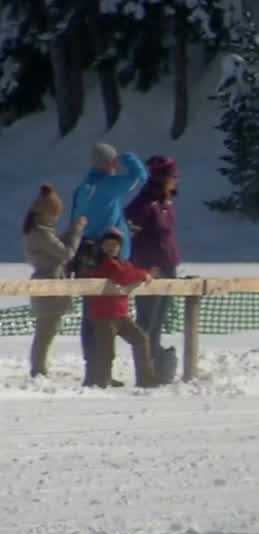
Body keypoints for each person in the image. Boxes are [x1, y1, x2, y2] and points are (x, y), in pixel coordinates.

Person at [69, 142, 148, 386]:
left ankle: (94, 371)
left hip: (85, 254)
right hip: (109, 254)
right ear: (108, 163)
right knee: (110, 314)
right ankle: (101, 374)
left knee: (90, 314)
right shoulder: (109, 185)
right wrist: (128, 157)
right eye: (113, 162)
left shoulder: (84, 187)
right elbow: (140, 177)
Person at [125, 155, 181, 382]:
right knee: (147, 322)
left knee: (159, 321)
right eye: (173, 177)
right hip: (150, 269)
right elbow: (129, 232)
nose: (176, 181)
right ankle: (146, 371)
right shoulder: (144, 204)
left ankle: (157, 366)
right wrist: (143, 264)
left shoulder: (166, 202)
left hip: (168, 267)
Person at [23, 185, 86, 378]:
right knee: (45, 332)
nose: (56, 218)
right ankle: (38, 370)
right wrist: (77, 230)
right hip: (48, 286)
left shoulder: (42, 232)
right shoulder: (40, 234)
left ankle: (39, 368)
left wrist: (71, 230)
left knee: (48, 330)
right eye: (54, 214)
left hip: (52, 286)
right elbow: (66, 253)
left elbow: (59, 246)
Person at [86, 228, 157, 388]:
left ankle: (146, 378)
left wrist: (141, 273)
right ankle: (102, 380)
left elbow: (131, 271)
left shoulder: (123, 262)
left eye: (115, 245)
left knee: (141, 339)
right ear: (102, 246)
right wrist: (143, 275)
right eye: (108, 244)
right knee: (106, 351)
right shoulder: (102, 262)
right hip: (104, 315)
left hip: (121, 314)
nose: (112, 248)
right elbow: (123, 276)